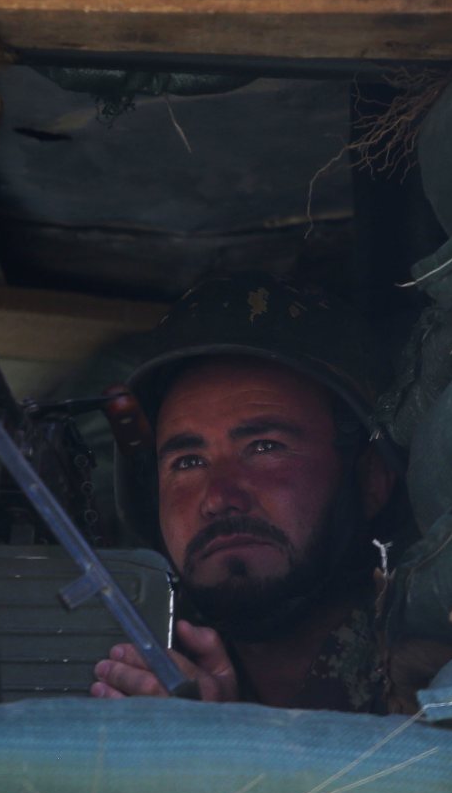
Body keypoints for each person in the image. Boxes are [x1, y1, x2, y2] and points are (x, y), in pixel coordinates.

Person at [90, 274, 408, 712]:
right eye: (188, 462)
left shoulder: (438, 661)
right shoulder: (125, 669)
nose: (219, 497)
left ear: (371, 478)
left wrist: (231, 744)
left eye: (264, 448)